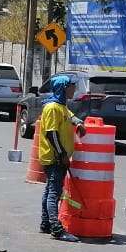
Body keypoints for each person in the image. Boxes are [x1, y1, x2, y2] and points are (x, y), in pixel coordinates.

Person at [37, 75, 83, 242]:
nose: (73, 89)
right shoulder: (52, 108)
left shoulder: (61, 107)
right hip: (55, 157)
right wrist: (62, 154)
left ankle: (45, 224)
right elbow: (51, 134)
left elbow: (69, 116)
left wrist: (78, 123)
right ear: (63, 88)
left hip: (57, 157)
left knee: (50, 189)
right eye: (71, 86)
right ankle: (56, 228)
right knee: (54, 193)